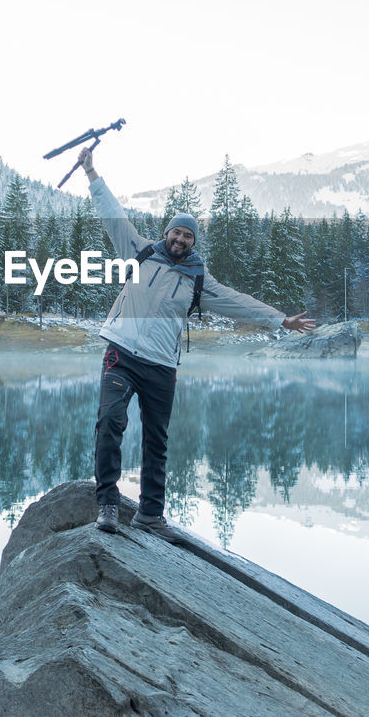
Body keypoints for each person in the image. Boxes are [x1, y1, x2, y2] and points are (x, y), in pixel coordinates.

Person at [78, 147, 316, 542]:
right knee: (110, 422)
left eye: (188, 235)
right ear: (167, 233)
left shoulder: (199, 281)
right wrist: (90, 173)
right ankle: (107, 504)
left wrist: (280, 319)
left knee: (157, 440)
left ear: (192, 242)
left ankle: (150, 515)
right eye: (177, 232)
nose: (181, 239)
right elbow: (112, 215)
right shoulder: (139, 252)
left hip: (161, 366)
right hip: (121, 354)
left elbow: (239, 302)